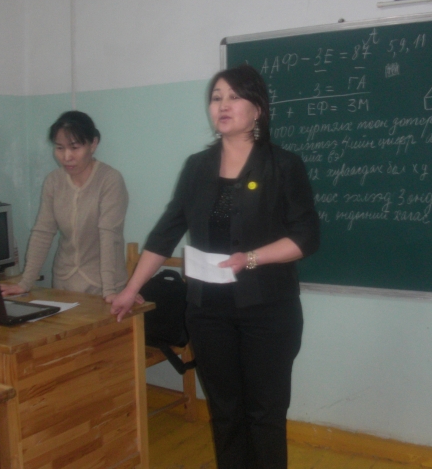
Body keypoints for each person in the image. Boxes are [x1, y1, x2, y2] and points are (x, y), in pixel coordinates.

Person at [111, 64, 319, 468]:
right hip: (207, 312)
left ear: (258, 109)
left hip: (268, 310)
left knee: (264, 414)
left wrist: (251, 258)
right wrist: (131, 289)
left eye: (234, 97)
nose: (223, 105)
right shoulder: (197, 167)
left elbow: (306, 237)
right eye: (216, 97)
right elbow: (165, 233)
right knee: (225, 412)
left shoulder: (283, 165)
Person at [1, 111, 129, 303]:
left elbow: (108, 236)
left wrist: (110, 290)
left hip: (103, 287)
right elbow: (43, 232)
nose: (66, 156)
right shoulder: (53, 181)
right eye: (59, 148)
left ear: (93, 144)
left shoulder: (109, 180)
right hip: (63, 284)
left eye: (75, 148)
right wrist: (25, 282)